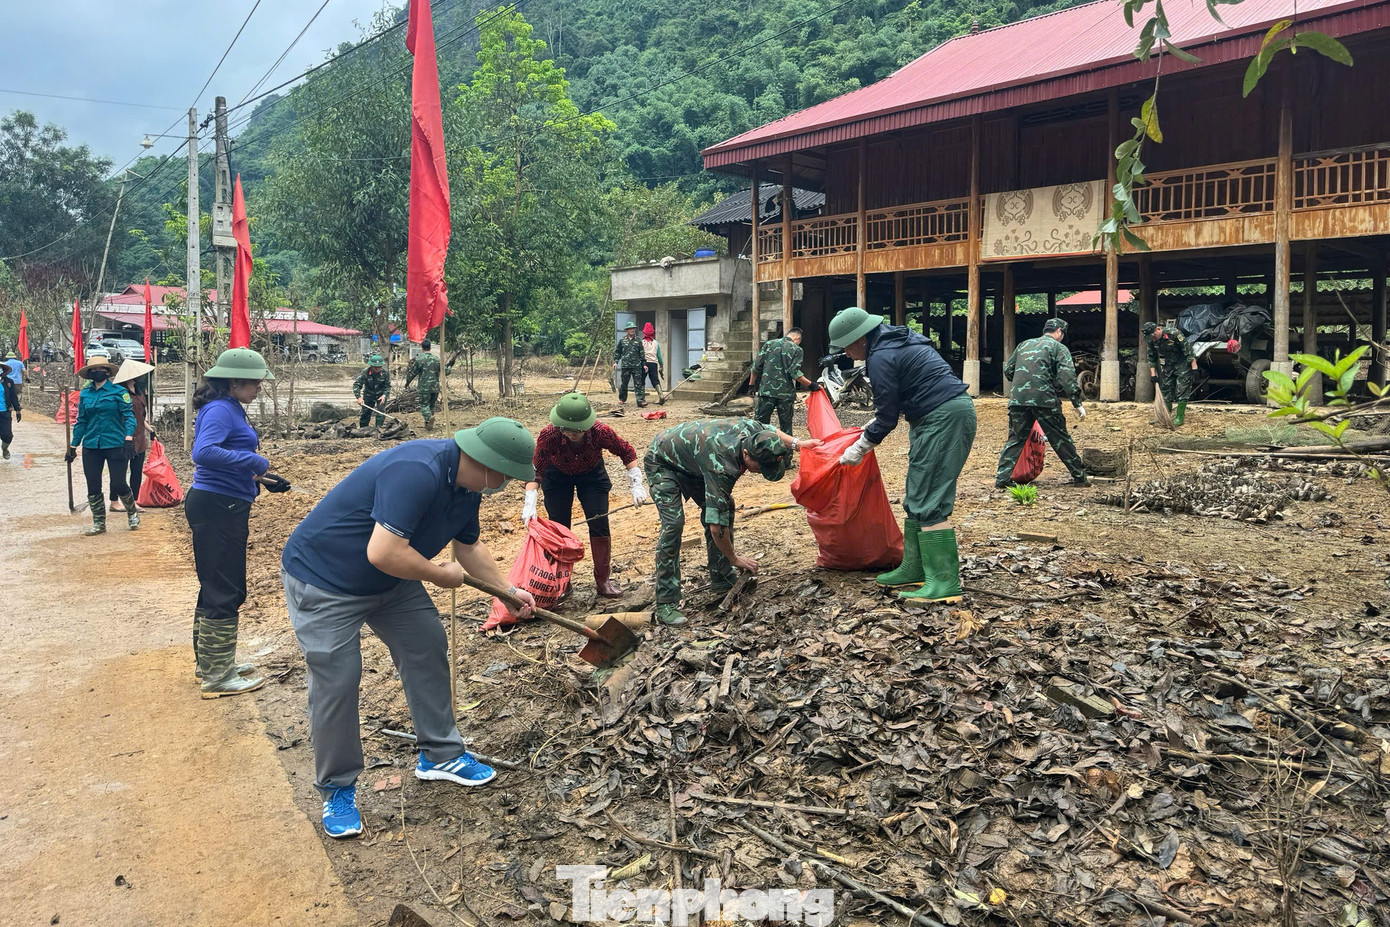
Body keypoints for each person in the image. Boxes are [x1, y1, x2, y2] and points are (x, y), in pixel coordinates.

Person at [280, 418, 538, 839]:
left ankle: (439, 755)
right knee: (338, 677)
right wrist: (438, 575)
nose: (505, 484)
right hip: (324, 579)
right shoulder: (417, 471)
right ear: (484, 462)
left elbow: (468, 547)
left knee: (426, 644)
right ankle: (337, 787)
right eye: (505, 476)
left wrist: (507, 592)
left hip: (391, 581)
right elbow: (383, 551)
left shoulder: (467, 488)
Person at [827, 306, 976, 603]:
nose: (844, 351)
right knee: (917, 492)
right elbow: (891, 406)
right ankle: (915, 566)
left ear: (860, 338)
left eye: (846, 344)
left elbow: (887, 418)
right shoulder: (895, 340)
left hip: (942, 417)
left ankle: (944, 583)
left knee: (930, 498)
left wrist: (860, 448)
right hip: (932, 415)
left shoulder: (881, 356)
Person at [645, 418, 819, 626]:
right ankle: (666, 602)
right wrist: (734, 558)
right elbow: (717, 526)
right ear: (746, 454)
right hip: (663, 461)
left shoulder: (753, 432)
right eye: (760, 466)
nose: (760, 472)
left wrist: (798, 444)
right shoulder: (722, 465)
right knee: (674, 524)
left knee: (725, 506)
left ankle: (721, 576)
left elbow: (770, 429)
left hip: (695, 459)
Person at [188, 348, 286, 698]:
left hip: (224, 500)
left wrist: (260, 477)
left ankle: (212, 663)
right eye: (256, 382)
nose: (260, 388)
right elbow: (202, 452)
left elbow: (223, 457)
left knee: (215, 582)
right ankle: (218, 677)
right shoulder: (220, 410)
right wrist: (253, 460)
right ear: (234, 380)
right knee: (225, 588)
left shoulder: (230, 409)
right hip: (218, 506)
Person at [523, 393, 647, 599]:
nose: (573, 435)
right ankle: (563, 582)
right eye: (568, 431)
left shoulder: (600, 432)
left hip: (592, 476)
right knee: (559, 527)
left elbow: (626, 451)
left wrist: (636, 484)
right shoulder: (549, 435)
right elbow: (535, 470)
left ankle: (603, 580)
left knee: (599, 522)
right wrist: (530, 502)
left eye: (579, 431)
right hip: (557, 476)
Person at [995, 319, 1090, 488]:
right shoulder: (1059, 348)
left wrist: (1022, 383)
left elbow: (1008, 370)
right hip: (1044, 400)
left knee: (1015, 439)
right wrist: (1077, 403)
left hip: (1018, 400)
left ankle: (1002, 479)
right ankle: (1080, 477)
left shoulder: (1024, 344)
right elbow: (1067, 377)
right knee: (1060, 439)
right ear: (1059, 331)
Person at [64, 354, 138, 536]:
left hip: (115, 443)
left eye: (101, 370)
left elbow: (129, 417)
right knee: (93, 485)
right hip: (91, 445)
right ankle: (99, 523)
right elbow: (81, 421)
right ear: (89, 374)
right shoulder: (86, 394)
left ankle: (132, 512)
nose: (98, 372)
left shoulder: (119, 393)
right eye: (94, 370)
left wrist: (129, 438)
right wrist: (73, 446)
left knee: (119, 483)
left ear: (107, 372)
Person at [749, 327, 817, 433]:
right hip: (785, 395)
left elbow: (755, 367)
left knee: (760, 425)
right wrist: (811, 385)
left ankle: (758, 447)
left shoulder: (769, 344)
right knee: (786, 426)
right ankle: (787, 448)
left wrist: (751, 385)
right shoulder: (797, 350)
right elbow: (794, 373)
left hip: (766, 392)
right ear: (797, 338)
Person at [109, 360, 157, 512]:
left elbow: (140, 417)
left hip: (140, 438)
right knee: (119, 472)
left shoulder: (138, 391)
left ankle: (134, 501)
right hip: (124, 437)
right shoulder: (119, 392)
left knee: (136, 471)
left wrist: (151, 430)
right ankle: (114, 501)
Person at [1144, 321, 1197, 425]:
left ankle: (1179, 417)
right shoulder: (1151, 341)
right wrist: (1153, 375)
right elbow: (1152, 358)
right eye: (1151, 337)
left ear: (1159, 329)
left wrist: (1194, 368)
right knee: (1166, 390)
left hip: (1182, 364)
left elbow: (1189, 352)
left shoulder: (1174, 334)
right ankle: (1165, 415)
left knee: (1182, 390)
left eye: (1154, 335)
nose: (1153, 339)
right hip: (1168, 366)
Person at [403, 339, 442, 432]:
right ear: (430, 347)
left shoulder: (420, 359)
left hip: (424, 387)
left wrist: (407, 382)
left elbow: (412, 373)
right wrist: (449, 366)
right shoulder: (437, 359)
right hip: (435, 386)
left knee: (424, 405)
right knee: (431, 405)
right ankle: (428, 423)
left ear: (421, 347)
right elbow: (446, 371)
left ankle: (428, 418)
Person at [353, 354, 391, 428]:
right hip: (368, 395)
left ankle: (378, 429)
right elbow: (356, 385)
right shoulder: (365, 372)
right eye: (375, 367)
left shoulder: (385, 373)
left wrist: (385, 395)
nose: (377, 369)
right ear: (371, 366)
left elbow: (387, 386)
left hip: (381, 395)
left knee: (380, 412)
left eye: (379, 367)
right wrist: (359, 397)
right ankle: (363, 429)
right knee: (365, 412)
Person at [613, 322, 646, 409]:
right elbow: (618, 352)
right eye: (630, 328)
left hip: (637, 366)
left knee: (638, 384)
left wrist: (644, 364)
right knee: (624, 383)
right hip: (625, 366)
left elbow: (642, 354)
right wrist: (616, 362)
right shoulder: (622, 340)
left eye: (633, 328)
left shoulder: (638, 340)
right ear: (626, 330)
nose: (632, 330)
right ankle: (622, 399)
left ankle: (640, 401)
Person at [0, 362, 19, 460]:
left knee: (7, 435)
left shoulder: (9, 382)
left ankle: (5, 448)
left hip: (4, 411)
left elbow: (13, 396)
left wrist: (17, 410)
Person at [641, 323, 663, 393]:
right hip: (653, 364)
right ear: (652, 332)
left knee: (642, 380)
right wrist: (661, 365)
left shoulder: (641, 343)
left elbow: (639, 355)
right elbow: (659, 356)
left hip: (644, 364)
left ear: (644, 332)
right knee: (655, 380)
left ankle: (642, 398)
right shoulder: (656, 343)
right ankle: (661, 395)